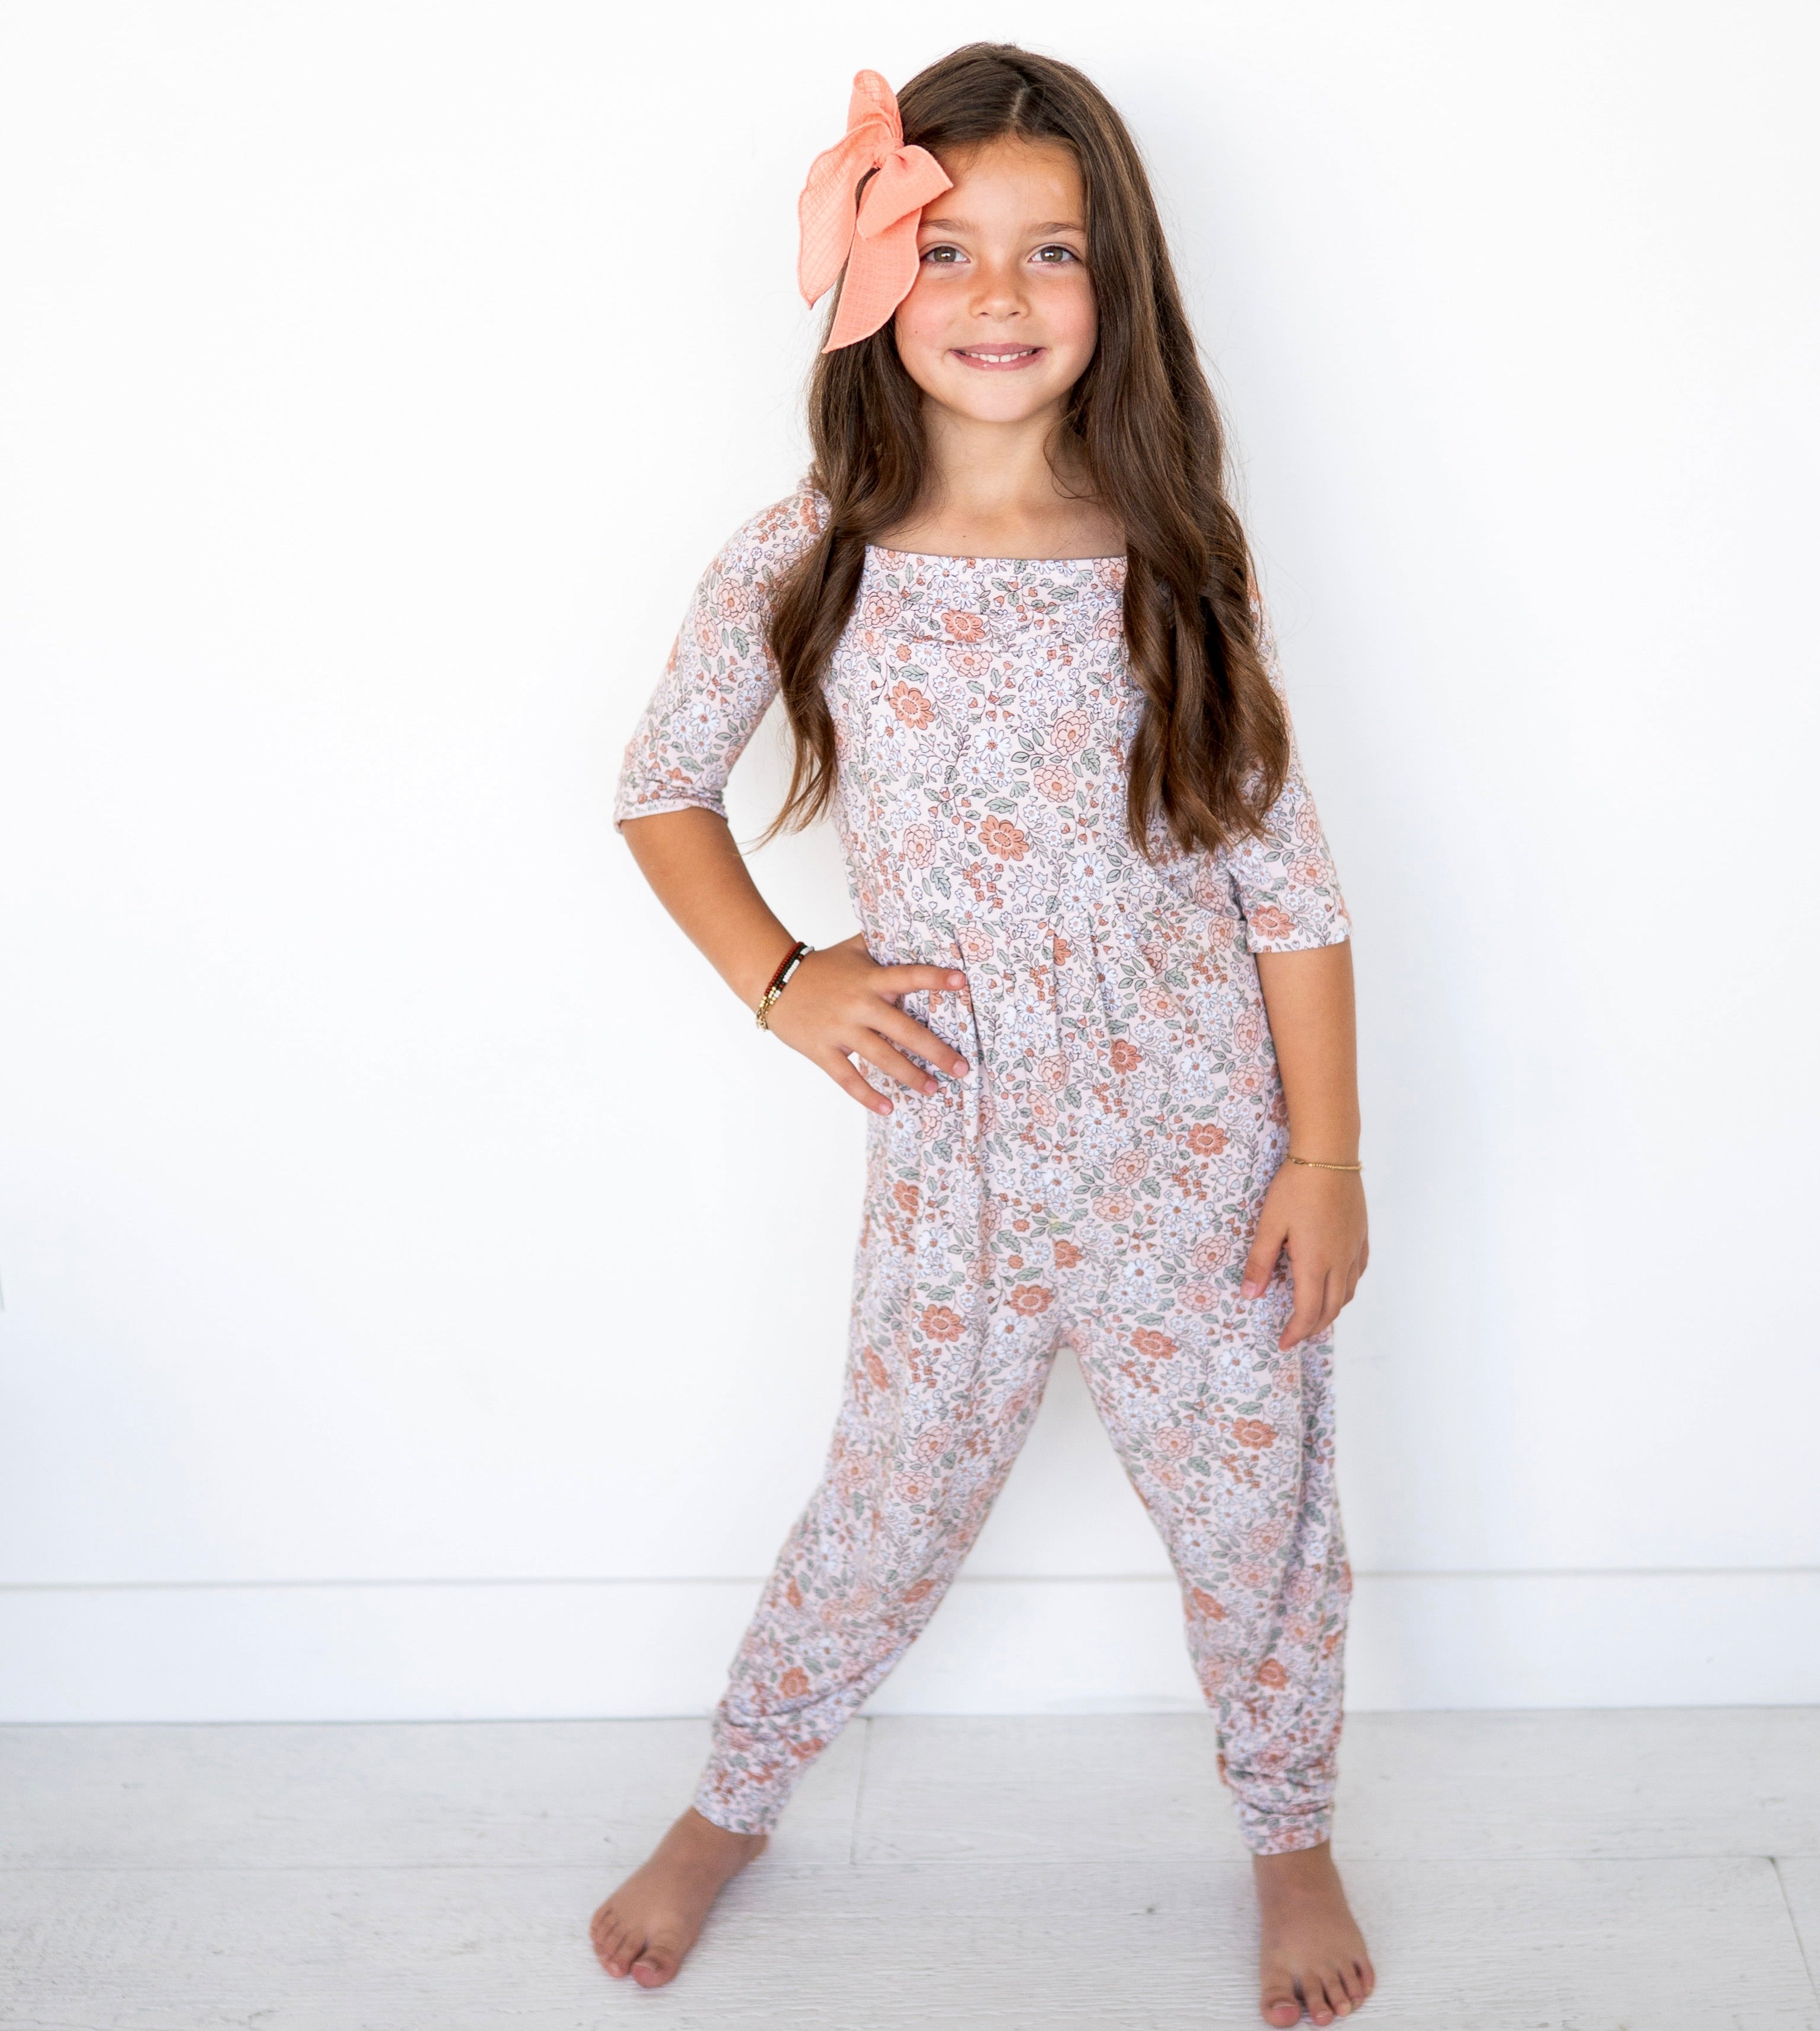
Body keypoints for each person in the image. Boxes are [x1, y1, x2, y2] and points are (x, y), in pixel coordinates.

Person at [591, 45, 1376, 2026]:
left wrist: (1325, 1154)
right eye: (946, 250)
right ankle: (732, 1804)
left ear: (1123, 295)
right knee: (883, 1503)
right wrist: (790, 982)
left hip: (1202, 1153)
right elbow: (660, 787)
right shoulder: (809, 553)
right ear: (873, 281)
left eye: (1055, 253)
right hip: (956, 1150)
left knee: (1258, 1516)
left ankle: (1291, 1832)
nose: (1003, 297)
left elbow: (1288, 883)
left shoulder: (1181, 559)